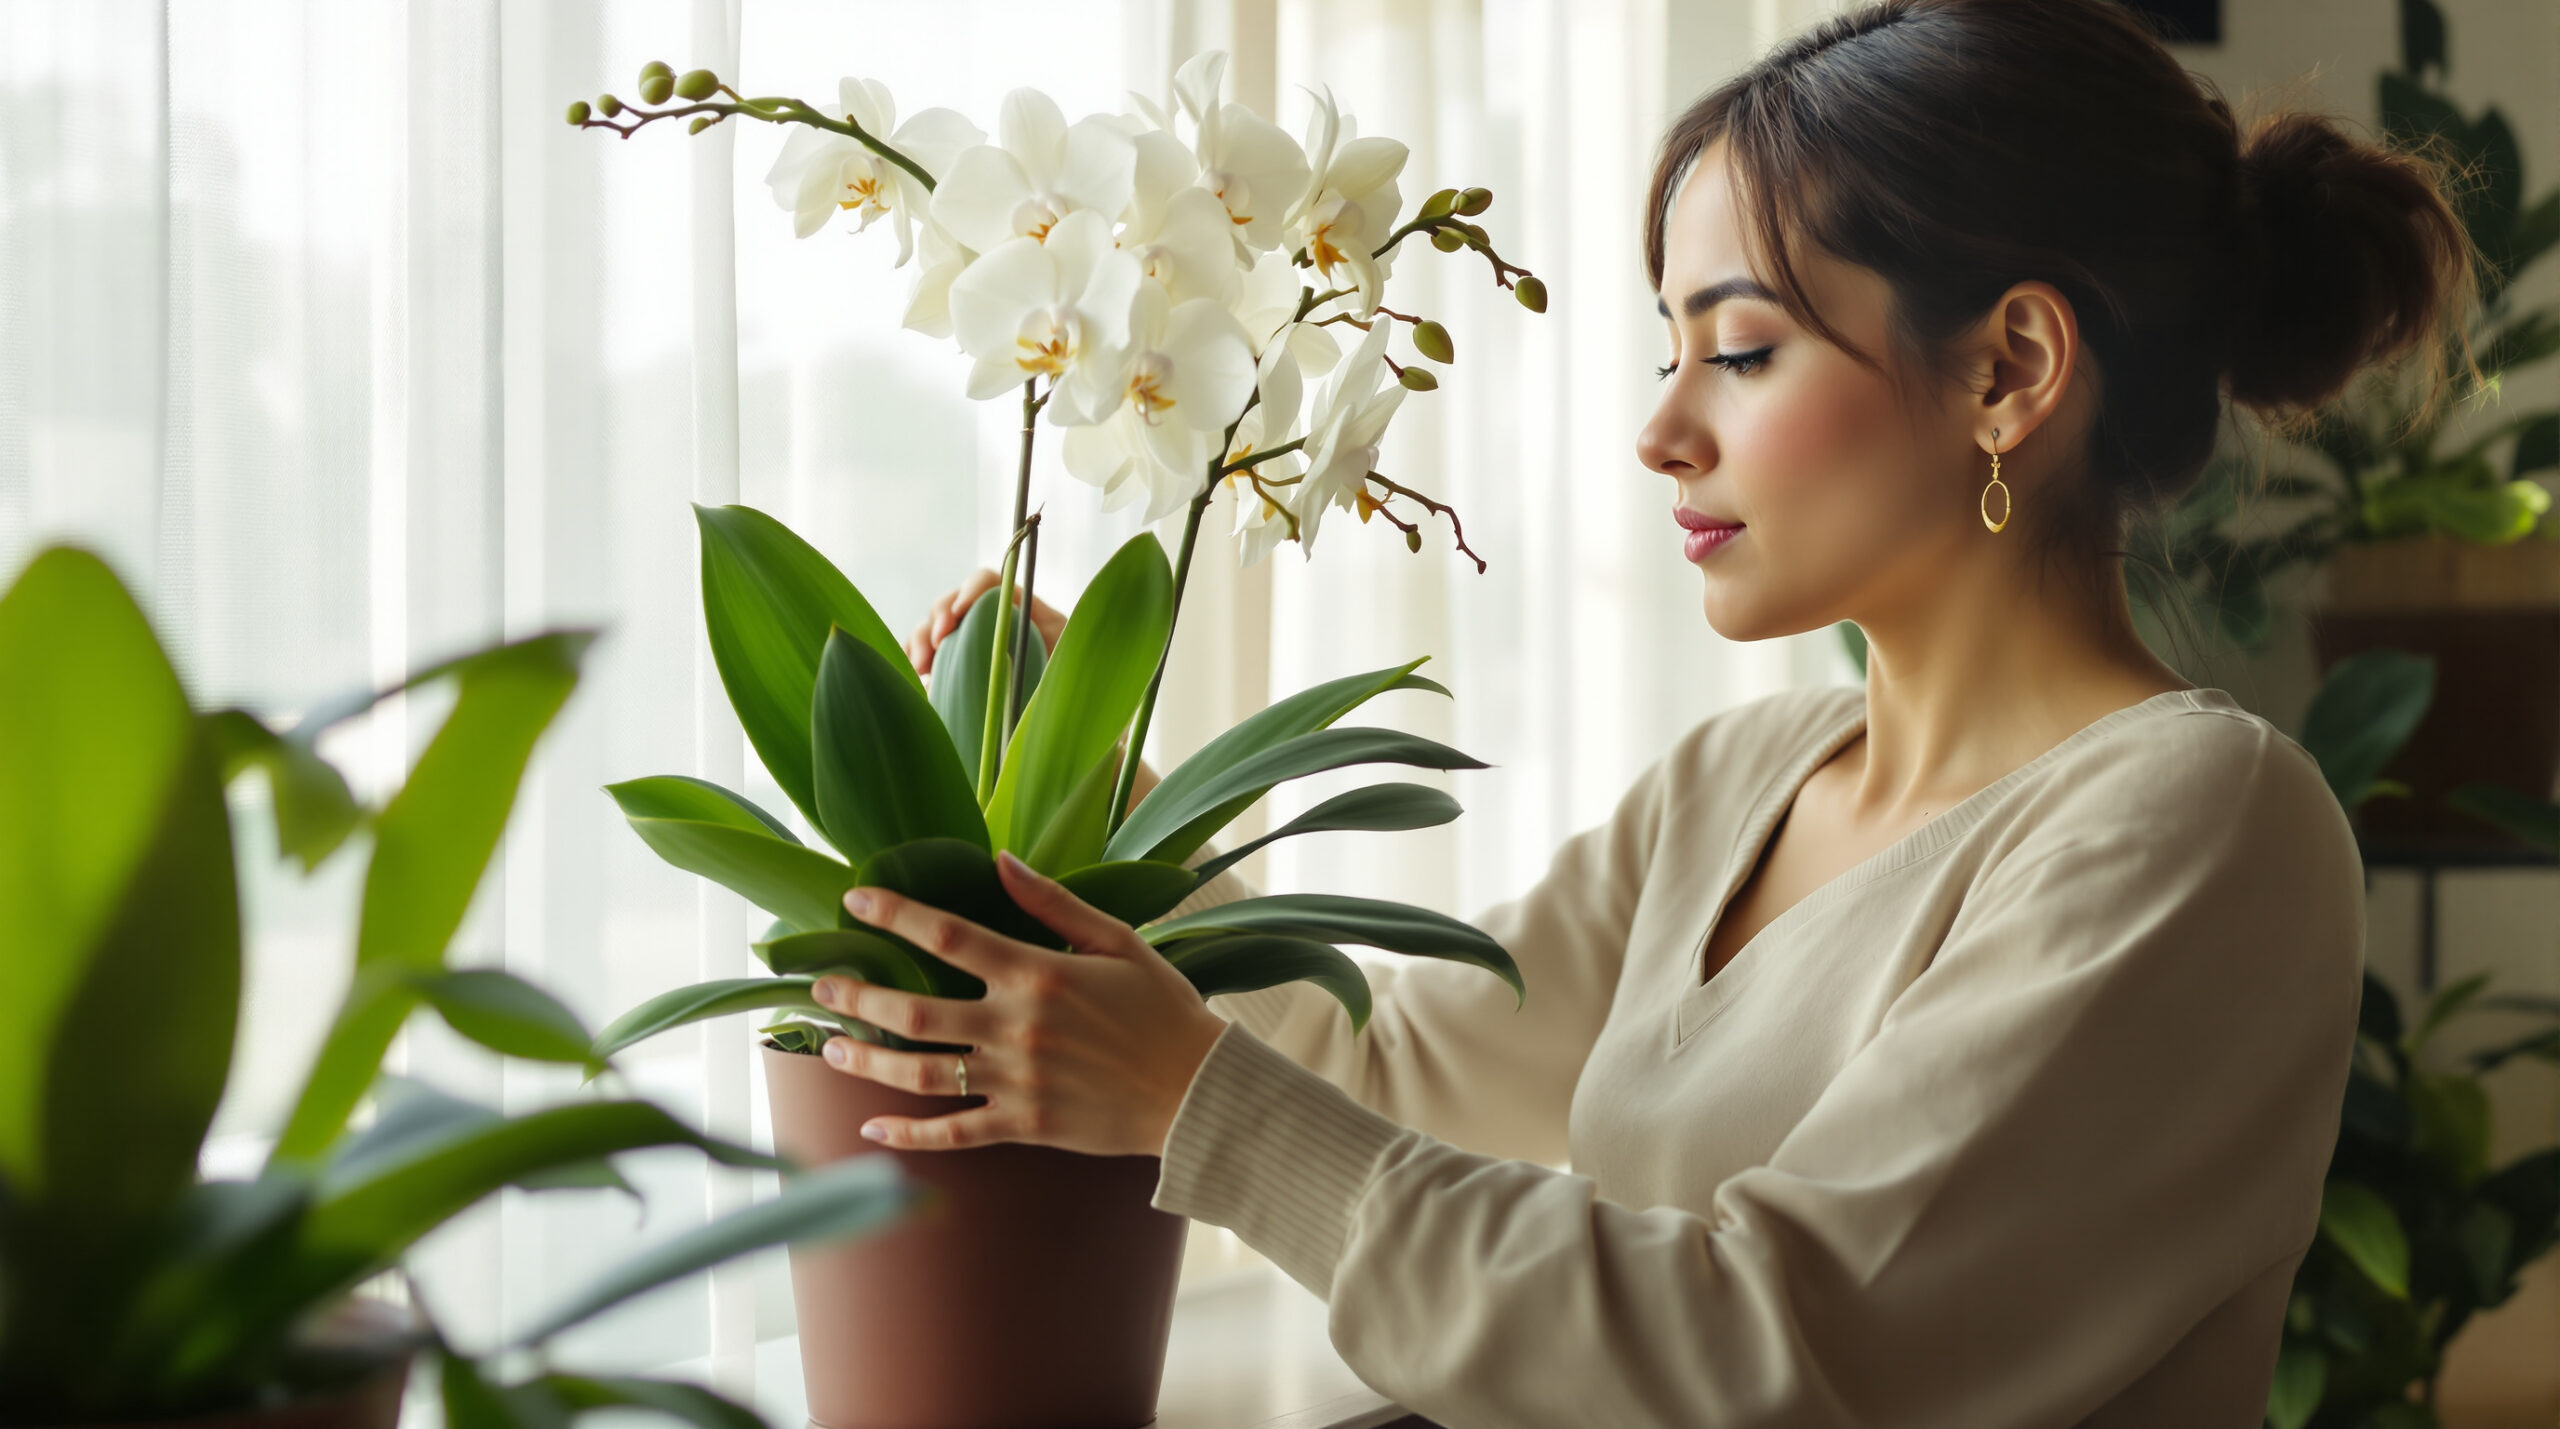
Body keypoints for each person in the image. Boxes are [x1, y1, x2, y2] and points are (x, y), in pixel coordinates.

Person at [797, 0, 2485, 1422]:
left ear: (2008, 371)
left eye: (1740, 351)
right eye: (1667, 349)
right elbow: (1395, 1081)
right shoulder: (1742, 779)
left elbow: (1790, 1350)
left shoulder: (2202, 826)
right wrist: (1120, 822)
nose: (1663, 429)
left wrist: (1193, 1105)